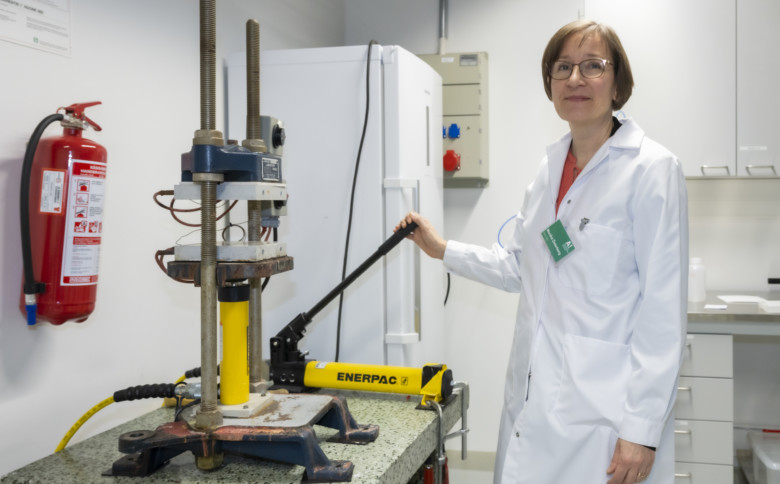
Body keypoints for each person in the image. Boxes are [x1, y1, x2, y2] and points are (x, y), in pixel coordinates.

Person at [397, 19, 688, 484]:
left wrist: (642, 431)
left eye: (593, 66)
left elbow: (663, 313)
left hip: (606, 415)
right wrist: (441, 249)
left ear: (618, 84)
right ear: (550, 85)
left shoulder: (652, 170)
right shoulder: (549, 169)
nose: (576, 79)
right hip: (534, 401)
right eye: (563, 68)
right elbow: (518, 265)